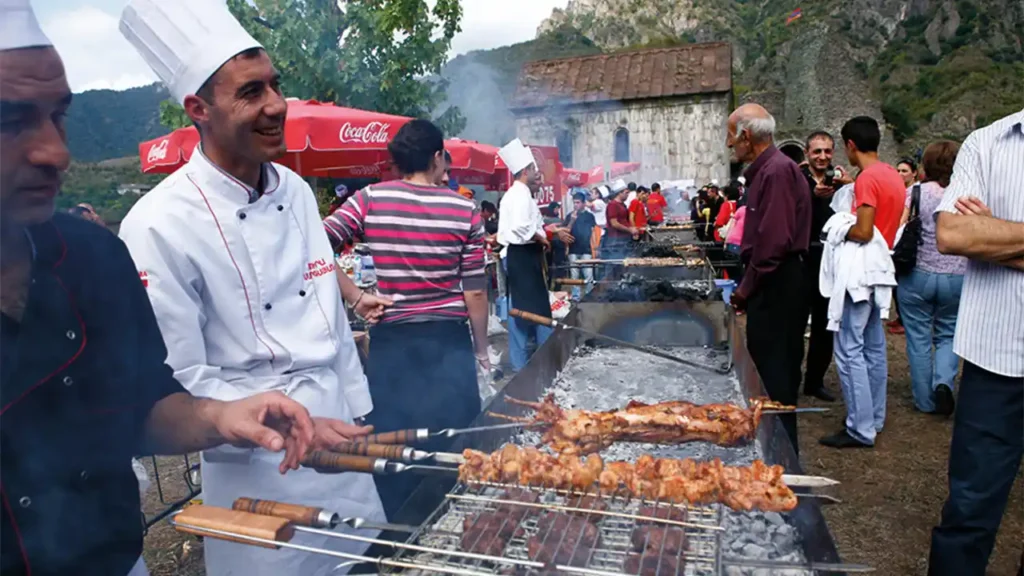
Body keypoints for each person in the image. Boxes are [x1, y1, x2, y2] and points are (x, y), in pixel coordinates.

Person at [0, 4, 320, 574]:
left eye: (59, 117)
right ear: (198, 109)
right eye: (9, 120)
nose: (57, 152)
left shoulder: (93, 257)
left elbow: (142, 406)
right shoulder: (155, 223)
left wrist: (217, 416)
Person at [116, 1, 386, 573]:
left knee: (361, 562)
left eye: (275, 85)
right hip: (258, 464)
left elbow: (330, 319)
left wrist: (361, 411)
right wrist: (268, 424)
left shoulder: (293, 186)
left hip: (342, 442)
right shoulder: (157, 223)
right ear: (198, 108)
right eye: (250, 92)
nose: (276, 105)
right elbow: (177, 378)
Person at [320, 120, 488, 518]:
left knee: (395, 448)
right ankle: (459, 524)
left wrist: (355, 294)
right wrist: (482, 349)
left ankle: (401, 538)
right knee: (456, 445)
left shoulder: (369, 199)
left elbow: (313, 244)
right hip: (448, 343)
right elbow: (476, 290)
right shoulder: (465, 209)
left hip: (393, 347)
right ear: (435, 157)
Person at [927, 108, 1024, 576]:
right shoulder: (989, 142)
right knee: (969, 510)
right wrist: (977, 233)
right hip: (996, 359)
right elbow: (953, 233)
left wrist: (998, 232)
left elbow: (977, 237)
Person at [726, 103, 811, 452]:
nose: (730, 146)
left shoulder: (776, 173)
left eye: (732, 139)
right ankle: (775, 447)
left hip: (778, 285)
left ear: (746, 136)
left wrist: (744, 290)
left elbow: (773, 244)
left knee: (775, 377)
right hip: (775, 281)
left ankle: (781, 456)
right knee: (773, 371)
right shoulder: (769, 171)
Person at [819, 116, 906, 449]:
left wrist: (838, 230)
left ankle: (859, 426)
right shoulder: (892, 177)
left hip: (859, 271)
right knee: (873, 347)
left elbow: (864, 230)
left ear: (850, 145)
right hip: (880, 271)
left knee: (848, 349)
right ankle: (875, 416)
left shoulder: (868, 178)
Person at [895, 141, 965, 415]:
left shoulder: (915, 192)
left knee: (918, 338)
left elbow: (902, 227)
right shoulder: (966, 194)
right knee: (948, 334)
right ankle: (944, 383)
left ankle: (924, 401)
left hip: (918, 274)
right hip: (957, 274)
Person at [798, 131, 849, 403]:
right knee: (795, 322)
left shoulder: (838, 184)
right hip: (802, 258)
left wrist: (848, 185)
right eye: (817, 151)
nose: (822, 156)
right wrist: (811, 195)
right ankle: (790, 376)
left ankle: (814, 380)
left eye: (827, 151)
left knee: (824, 324)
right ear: (807, 153)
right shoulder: (797, 181)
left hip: (830, 259)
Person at [496, 139, 552, 372]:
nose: (537, 175)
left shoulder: (522, 194)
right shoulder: (517, 194)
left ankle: (539, 357)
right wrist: (542, 238)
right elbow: (521, 227)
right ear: (526, 171)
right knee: (528, 310)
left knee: (529, 308)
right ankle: (538, 361)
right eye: (534, 170)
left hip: (525, 255)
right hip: (521, 255)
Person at [565, 193, 597, 299]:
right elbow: (566, 231)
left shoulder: (589, 216)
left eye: (578, 203)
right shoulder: (570, 216)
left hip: (586, 249)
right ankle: (575, 297)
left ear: (584, 203)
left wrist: (595, 249)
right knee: (574, 276)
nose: (575, 205)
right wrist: (572, 220)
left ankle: (589, 296)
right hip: (573, 249)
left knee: (588, 274)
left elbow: (593, 232)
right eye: (574, 203)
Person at [602, 180, 637, 264]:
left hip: (623, 239)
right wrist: (630, 230)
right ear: (619, 193)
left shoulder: (623, 205)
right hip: (615, 240)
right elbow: (614, 223)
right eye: (626, 192)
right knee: (615, 264)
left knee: (623, 263)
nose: (628, 195)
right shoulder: (613, 205)